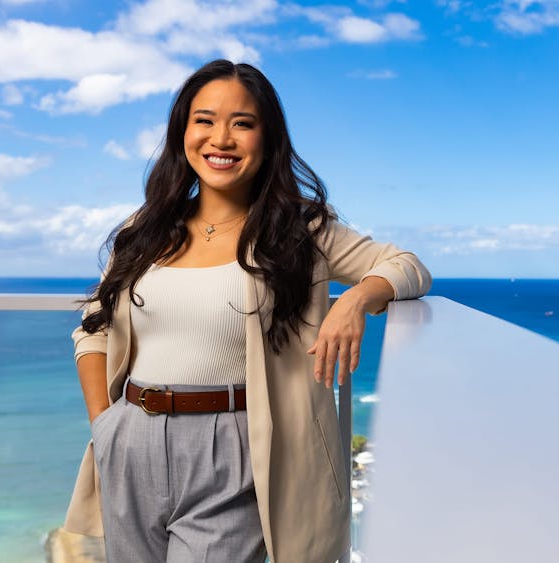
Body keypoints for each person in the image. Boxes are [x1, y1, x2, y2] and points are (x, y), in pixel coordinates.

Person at [62, 59, 432, 563]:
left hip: (237, 447)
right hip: (131, 438)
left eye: (243, 123)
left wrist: (357, 303)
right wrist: (103, 423)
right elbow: (94, 329)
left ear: (267, 138)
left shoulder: (301, 227)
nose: (221, 138)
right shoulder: (146, 228)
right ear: (182, 132)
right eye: (205, 120)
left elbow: (406, 265)